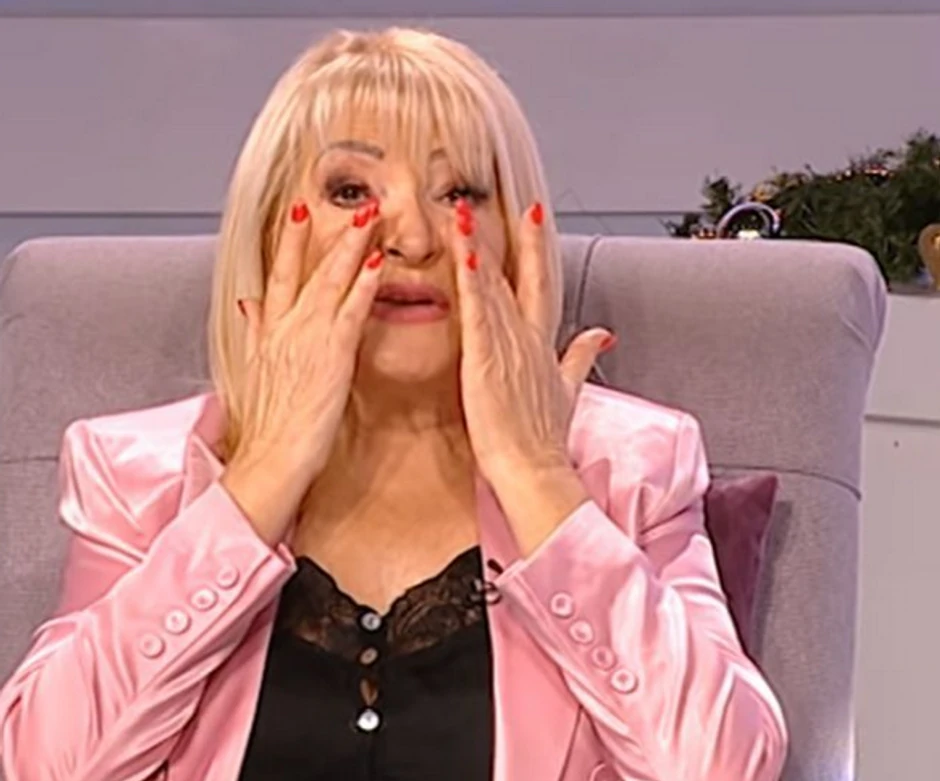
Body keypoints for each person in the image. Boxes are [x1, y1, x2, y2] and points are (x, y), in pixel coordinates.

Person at [0, 27, 787, 781]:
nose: (412, 238)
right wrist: (262, 477)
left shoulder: (631, 468)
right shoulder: (137, 475)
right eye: (351, 190)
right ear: (272, 234)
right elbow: (44, 765)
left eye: (459, 191)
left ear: (518, 240)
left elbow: (719, 765)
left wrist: (536, 475)